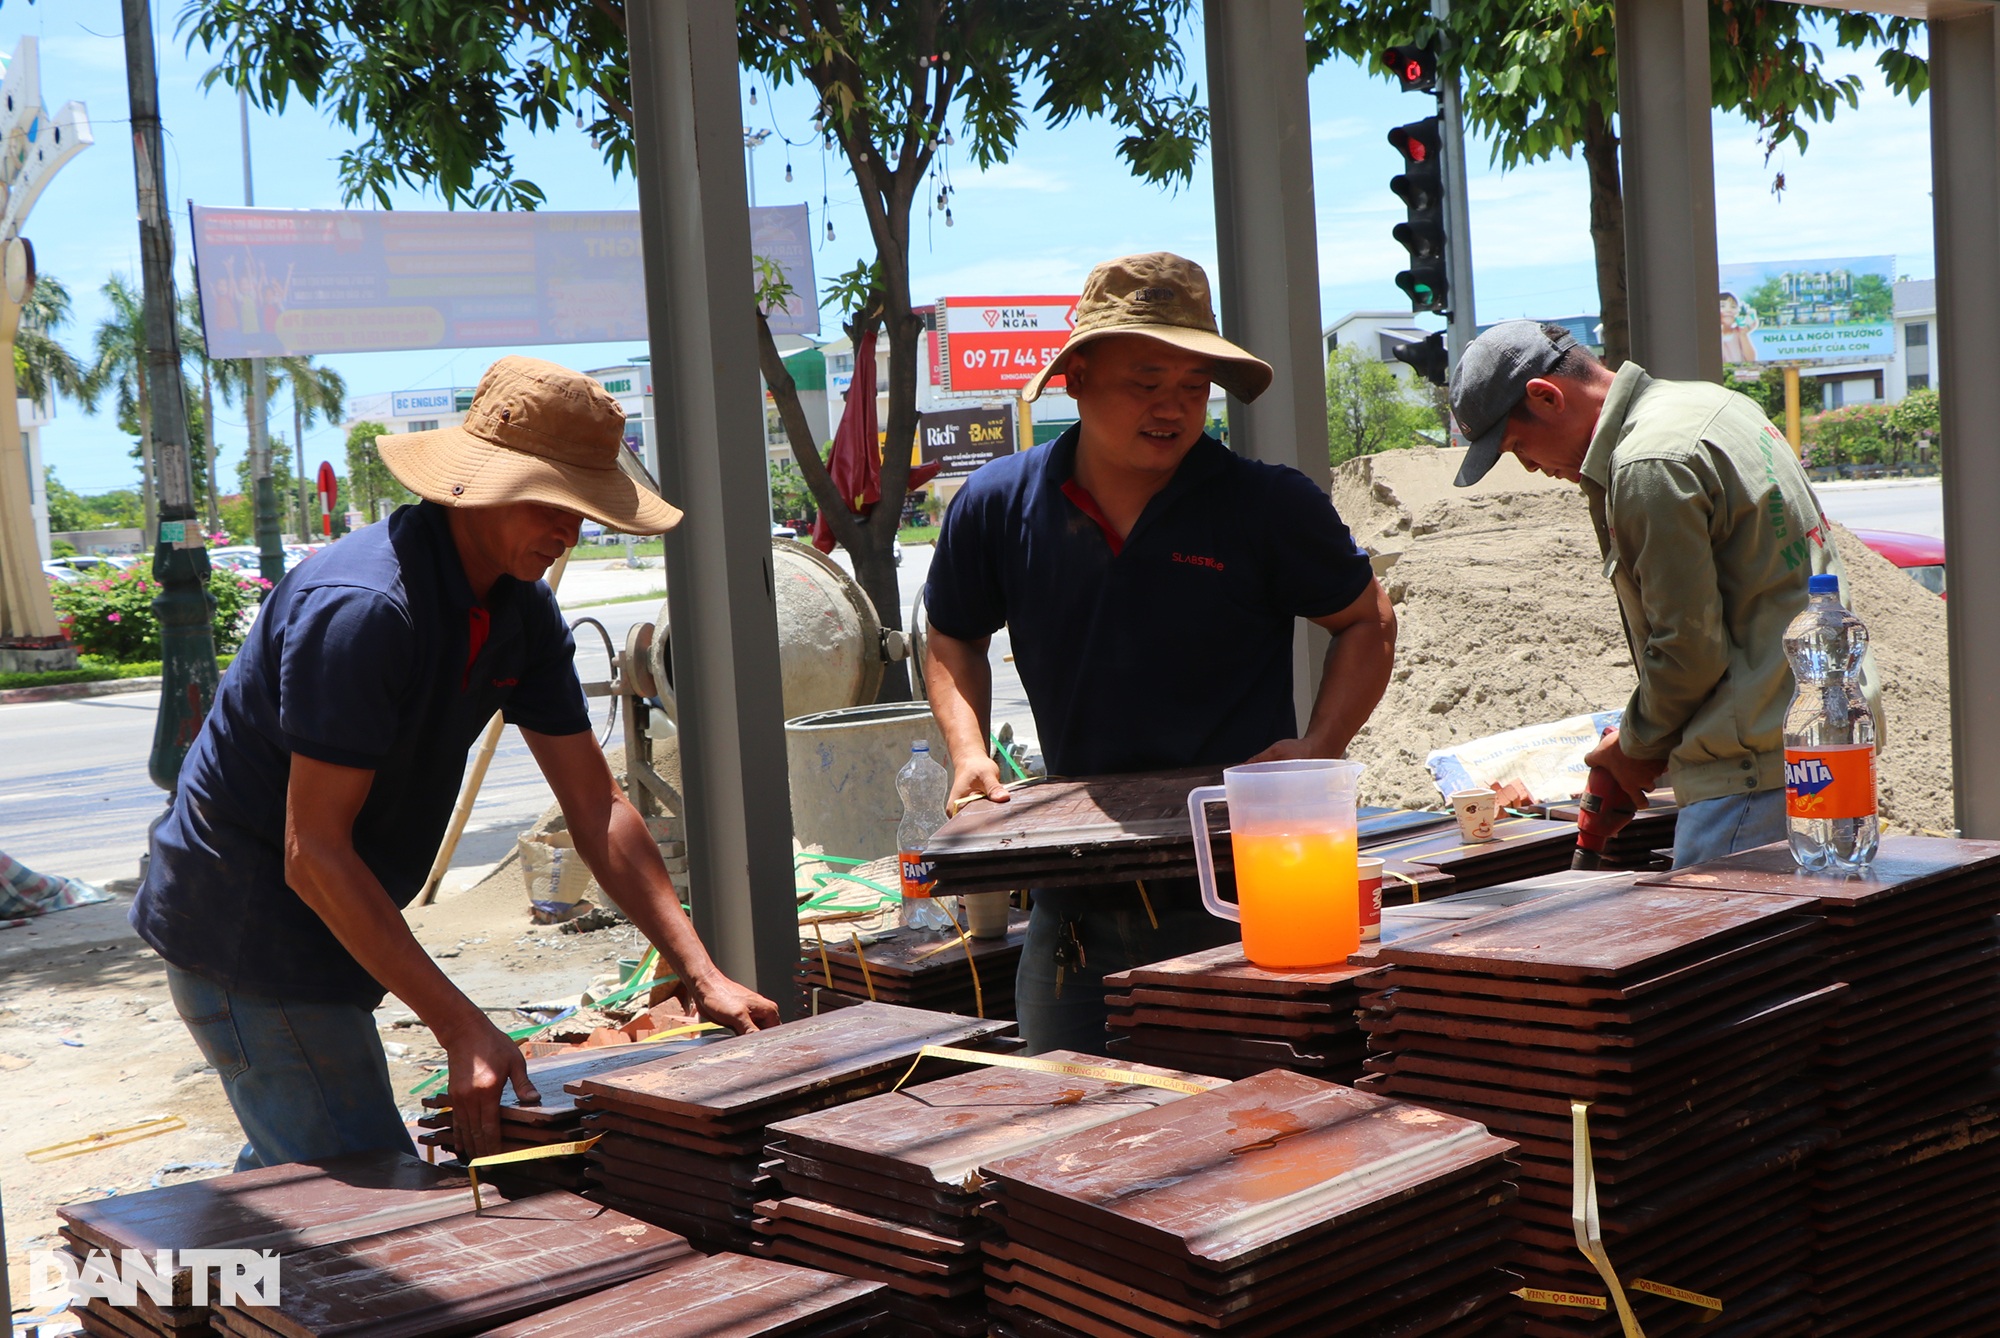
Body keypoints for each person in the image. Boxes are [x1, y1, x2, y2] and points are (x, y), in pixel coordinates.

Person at [132, 356, 778, 1169]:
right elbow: (313, 853)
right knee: (361, 1189)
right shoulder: (364, 609)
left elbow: (598, 807)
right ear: (476, 486)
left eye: (584, 511)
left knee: (313, 1172)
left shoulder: (522, 613)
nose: (568, 532)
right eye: (552, 504)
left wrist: (699, 968)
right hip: (249, 927)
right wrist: (462, 1025)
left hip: (341, 917)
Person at [922, 253, 1397, 1054]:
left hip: (1246, 886)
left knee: (1264, 1132)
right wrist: (968, 754)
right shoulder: (999, 503)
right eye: (1145, 383)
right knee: (1067, 1124)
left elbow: (1366, 620)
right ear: (1074, 377)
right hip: (1073, 896)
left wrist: (1320, 750)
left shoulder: (1265, 504)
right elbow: (953, 635)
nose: (1172, 408)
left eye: (1192, 387)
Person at [1448, 321, 1880, 867]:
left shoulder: (1647, 464)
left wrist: (1633, 747)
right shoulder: (1713, 406)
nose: (1530, 466)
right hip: (1824, 744)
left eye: (1516, 445)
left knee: (1724, 949)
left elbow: (1688, 649)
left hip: (1752, 777)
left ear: (1545, 396)